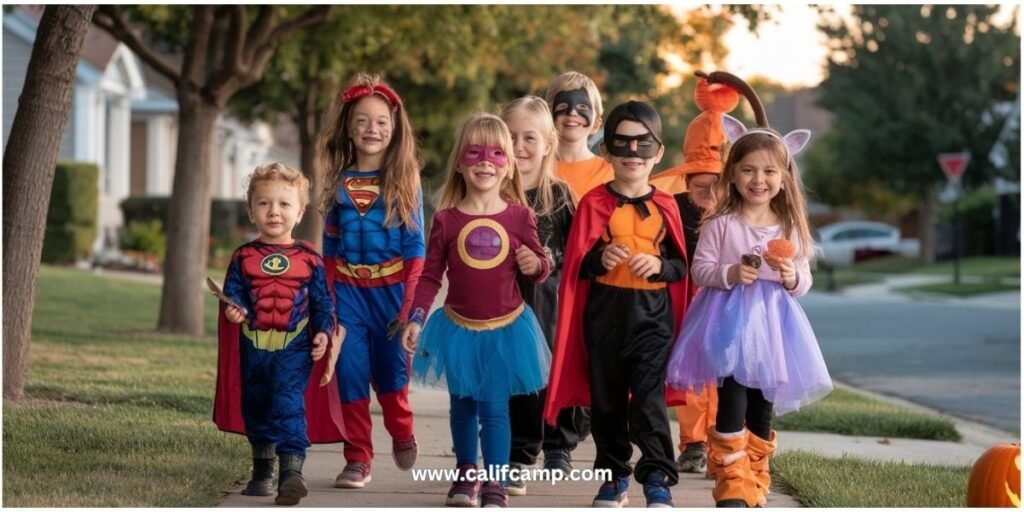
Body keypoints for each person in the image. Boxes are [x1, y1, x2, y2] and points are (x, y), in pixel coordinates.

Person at [665, 103, 832, 507]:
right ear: (733, 173)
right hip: (730, 324)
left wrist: (791, 275)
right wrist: (731, 273)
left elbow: (803, 280)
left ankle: (756, 479)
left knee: (762, 407)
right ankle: (732, 484)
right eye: (749, 170)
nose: (759, 179)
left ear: (783, 177)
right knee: (731, 401)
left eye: (769, 171)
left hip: (775, 328)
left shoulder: (790, 226)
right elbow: (701, 270)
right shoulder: (721, 223)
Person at [402, 112, 553, 508]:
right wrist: (416, 317)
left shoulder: (520, 217)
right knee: (463, 405)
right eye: (475, 152)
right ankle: (466, 476)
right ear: (460, 162)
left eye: (497, 154)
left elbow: (540, 264)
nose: (486, 161)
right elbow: (431, 275)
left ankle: (496, 483)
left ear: (509, 167)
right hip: (458, 328)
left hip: (507, 328)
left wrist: (534, 264)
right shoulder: (447, 220)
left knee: (494, 406)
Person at [544, 101, 690, 508]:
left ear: (658, 152)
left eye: (642, 144)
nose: (631, 153)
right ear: (607, 150)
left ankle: (658, 474)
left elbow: (681, 267)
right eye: (621, 144)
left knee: (648, 401)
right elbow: (577, 265)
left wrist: (661, 265)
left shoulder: (667, 205)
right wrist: (598, 259)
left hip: (653, 319)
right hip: (605, 316)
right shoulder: (593, 203)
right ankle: (613, 477)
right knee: (606, 403)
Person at [317, 73, 425, 488]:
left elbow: (416, 250)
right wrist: (327, 304)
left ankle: (402, 429)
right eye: (361, 120)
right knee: (350, 376)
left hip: (392, 291)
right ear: (347, 125)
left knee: (393, 380)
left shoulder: (405, 179)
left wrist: (410, 305)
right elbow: (329, 250)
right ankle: (358, 457)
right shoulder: (337, 181)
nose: (372, 129)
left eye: (381, 121)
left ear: (394, 128)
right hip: (348, 293)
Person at [213, 162, 342, 506]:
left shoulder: (309, 258)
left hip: (294, 346)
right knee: (256, 408)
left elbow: (323, 304)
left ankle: (291, 473)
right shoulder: (243, 257)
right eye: (264, 203)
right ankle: (262, 471)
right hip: (254, 346)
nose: (274, 211)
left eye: (284, 204)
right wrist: (232, 309)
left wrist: (324, 334)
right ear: (251, 210)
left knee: (287, 404)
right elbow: (234, 293)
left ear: (299, 212)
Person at [658, 71, 744, 476]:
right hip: (686, 294)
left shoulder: (736, 213)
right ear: (687, 181)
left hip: (726, 296)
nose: (708, 194)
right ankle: (693, 442)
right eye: (700, 186)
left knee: (726, 373)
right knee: (692, 373)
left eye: (716, 186)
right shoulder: (673, 206)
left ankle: (723, 437)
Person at [499, 96, 582, 496]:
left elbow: (577, 250)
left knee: (551, 373)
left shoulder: (560, 195)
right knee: (512, 379)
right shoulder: (491, 191)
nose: (519, 146)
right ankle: (516, 452)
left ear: (549, 143)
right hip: (500, 300)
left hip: (549, 301)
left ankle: (557, 444)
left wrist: (548, 259)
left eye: (529, 137)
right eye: (510, 136)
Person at [545, 71, 614, 200]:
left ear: (596, 123)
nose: (572, 112)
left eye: (582, 107)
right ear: (548, 116)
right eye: (563, 105)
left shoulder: (611, 174)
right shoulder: (537, 167)